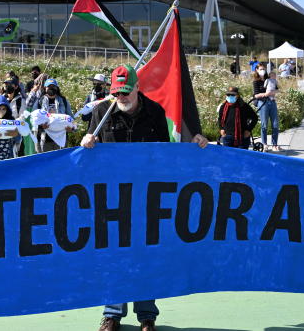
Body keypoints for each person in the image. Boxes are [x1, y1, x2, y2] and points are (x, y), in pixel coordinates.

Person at [81, 65, 208, 331]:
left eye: (126, 92)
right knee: (114, 255)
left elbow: (165, 153)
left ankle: (147, 315)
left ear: (138, 87)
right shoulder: (100, 113)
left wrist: (194, 145)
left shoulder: (155, 113)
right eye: (117, 92)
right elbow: (87, 156)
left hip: (145, 198)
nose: (122, 97)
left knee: (145, 255)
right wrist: (85, 143)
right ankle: (112, 315)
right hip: (111, 198)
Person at [27, 77, 73, 152]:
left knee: (60, 161)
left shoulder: (64, 101)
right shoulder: (39, 101)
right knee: (44, 161)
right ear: (45, 88)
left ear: (57, 88)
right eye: (49, 87)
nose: (51, 88)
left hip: (60, 138)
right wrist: (41, 126)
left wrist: (71, 128)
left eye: (53, 87)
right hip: (44, 138)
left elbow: (71, 117)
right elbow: (32, 119)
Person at [255, 71, 280, 151]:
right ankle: (264, 144)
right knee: (264, 125)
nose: (262, 70)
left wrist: (272, 92)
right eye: (260, 69)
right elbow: (255, 95)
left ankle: (274, 144)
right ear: (257, 70)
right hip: (263, 103)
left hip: (272, 102)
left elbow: (277, 89)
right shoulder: (256, 82)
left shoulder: (270, 79)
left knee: (275, 124)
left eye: (263, 69)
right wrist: (266, 94)